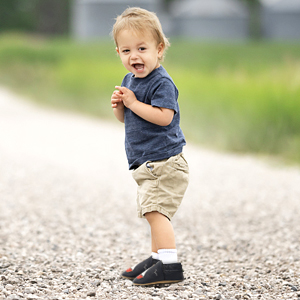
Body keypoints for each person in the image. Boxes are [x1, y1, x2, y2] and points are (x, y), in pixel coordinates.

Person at [111, 7, 189, 286]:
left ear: (159, 49)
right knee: (151, 211)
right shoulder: (129, 81)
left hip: (165, 162)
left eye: (142, 48)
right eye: (126, 50)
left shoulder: (161, 82)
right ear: (118, 53)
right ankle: (157, 257)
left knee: (156, 212)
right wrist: (121, 107)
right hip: (148, 163)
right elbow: (127, 119)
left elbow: (164, 117)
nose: (134, 56)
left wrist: (133, 103)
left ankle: (169, 265)